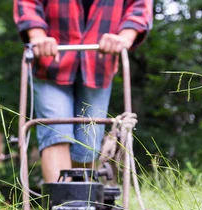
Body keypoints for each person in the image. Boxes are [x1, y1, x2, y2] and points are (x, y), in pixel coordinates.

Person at [14, 0, 153, 183]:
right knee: (56, 133)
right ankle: (62, 207)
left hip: (99, 64)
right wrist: (37, 35)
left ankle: (82, 206)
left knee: (88, 146)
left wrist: (125, 37)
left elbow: (139, 6)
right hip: (49, 62)